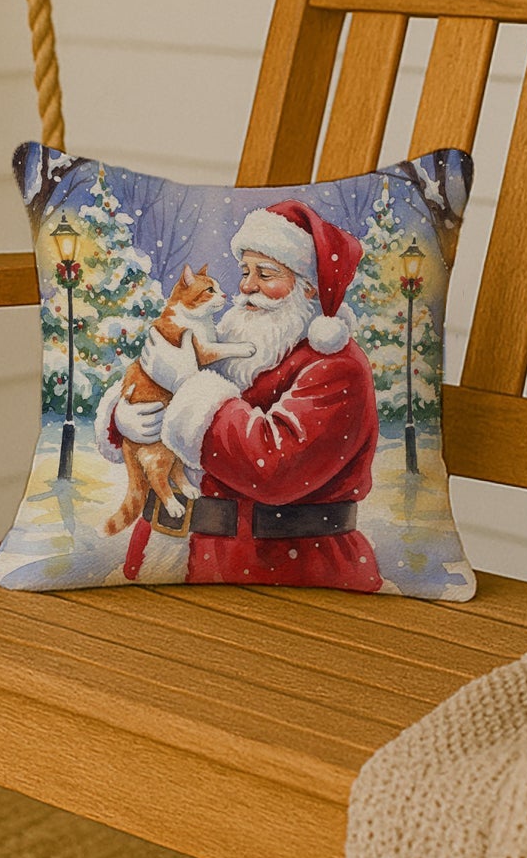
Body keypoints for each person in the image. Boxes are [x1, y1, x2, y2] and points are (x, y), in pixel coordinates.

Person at [92, 200, 381, 589]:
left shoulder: (337, 367)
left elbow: (274, 467)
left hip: (275, 568)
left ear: (309, 287)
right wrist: (125, 415)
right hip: (163, 554)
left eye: (266, 274)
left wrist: (188, 386)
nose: (246, 287)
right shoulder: (230, 342)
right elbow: (157, 388)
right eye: (245, 272)